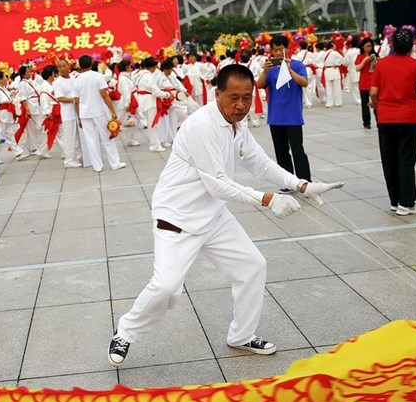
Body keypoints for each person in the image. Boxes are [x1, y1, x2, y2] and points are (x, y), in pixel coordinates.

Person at [107, 64, 343, 366]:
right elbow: (216, 183)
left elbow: (260, 163)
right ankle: (125, 332)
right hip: (177, 218)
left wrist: (302, 185)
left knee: (253, 266)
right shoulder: (202, 126)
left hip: (213, 216)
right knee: (166, 286)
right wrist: (268, 199)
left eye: (247, 97)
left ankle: (242, 335)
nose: (241, 105)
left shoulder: (237, 126)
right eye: (233, 97)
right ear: (217, 93)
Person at [370, 29, 416, 215]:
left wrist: (377, 104)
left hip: (386, 117)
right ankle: (407, 202)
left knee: (389, 160)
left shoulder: (382, 64)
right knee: (406, 160)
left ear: (393, 44)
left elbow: (373, 92)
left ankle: (395, 200)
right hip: (408, 117)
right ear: (411, 45)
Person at [256, 35, 312, 188]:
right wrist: (265, 71)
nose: (278, 53)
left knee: (297, 150)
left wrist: (289, 71)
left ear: (287, 48)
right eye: (275, 50)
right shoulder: (270, 69)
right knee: (281, 153)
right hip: (275, 117)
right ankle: (287, 183)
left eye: (281, 49)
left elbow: (305, 82)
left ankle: (305, 182)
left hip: (293, 117)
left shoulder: (297, 65)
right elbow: (260, 85)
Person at [73, 54, 126, 172]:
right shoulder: (97, 76)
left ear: (79, 66)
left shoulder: (77, 80)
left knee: (91, 140)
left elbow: (76, 101)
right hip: (98, 112)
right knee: (107, 138)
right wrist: (113, 111)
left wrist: (79, 118)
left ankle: (97, 166)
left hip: (84, 114)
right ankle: (115, 163)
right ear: (92, 64)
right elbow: (105, 95)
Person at [53, 59, 82, 166]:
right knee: (69, 136)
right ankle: (69, 160)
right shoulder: (57, 82)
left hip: (78, 111)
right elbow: (59, 98)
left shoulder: (74, 78)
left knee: (79, 136)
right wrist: (73, 100)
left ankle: (79, 156)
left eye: (64, 66)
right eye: (60, 67)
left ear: (68, 66)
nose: (62, 69)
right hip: (68, 113)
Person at [355, 37, 378, 129]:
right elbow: (357, 68)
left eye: (370, 46)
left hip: (374, 83)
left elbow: (379, 67)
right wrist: (365, 60)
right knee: (365, 105)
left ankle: (379, 121)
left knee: (376, 103)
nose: (369, 48)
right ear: (363, 47)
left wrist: (375, 60)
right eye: (367, 46)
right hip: (364, 83)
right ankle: (366, 123)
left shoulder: (375, 55)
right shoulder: (360, 56)